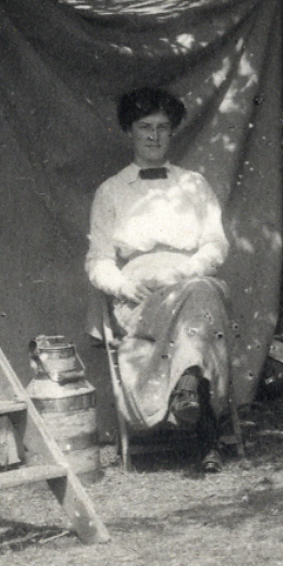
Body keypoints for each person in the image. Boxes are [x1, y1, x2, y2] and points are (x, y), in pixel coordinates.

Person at [85, 86, 242, 472]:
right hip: (141, 297)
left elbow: (214, 245)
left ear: (173, 133)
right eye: (145, 127)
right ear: (130, 133)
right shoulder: (111, 192)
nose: (154, 136)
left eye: (163, 127)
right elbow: (98, 260)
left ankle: (187, 387)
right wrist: (123, 285)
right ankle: (205, 435)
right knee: (202, 303)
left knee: (201, 291)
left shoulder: (194, 185)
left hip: (190, 279)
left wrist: (185, 271)